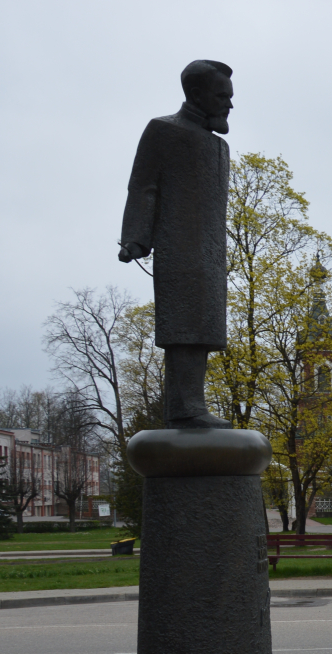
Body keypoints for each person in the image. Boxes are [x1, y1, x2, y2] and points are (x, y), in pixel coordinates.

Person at [117, 60, 236, 428]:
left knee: (205, 328)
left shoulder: (219, 146)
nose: (230, 105)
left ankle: (188, 405)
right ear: (196, 94)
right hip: (179, 248)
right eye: (222, 96)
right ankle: (186, 407)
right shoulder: (163, 130)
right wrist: (136, 238)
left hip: (211, 254)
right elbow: (143, 185)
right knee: (185, 326)